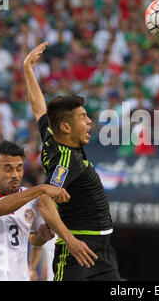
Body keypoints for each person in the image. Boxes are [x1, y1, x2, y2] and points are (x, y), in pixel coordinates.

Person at [23, 41, 121, 281]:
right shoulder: (66, 161)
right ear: (66, 127)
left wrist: (28, 68)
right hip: (81, 249)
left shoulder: (53, 137)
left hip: (102, 250)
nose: (89, 122)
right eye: (83, 117)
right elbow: (45, 202)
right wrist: (70, 241)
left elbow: (39, 110)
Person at [0, 140, 70, 281]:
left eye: (19, 168)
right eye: (8, 169)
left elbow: (32, 238)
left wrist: (42, 236)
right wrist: (41, 188)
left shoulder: (30, 198)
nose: (15, 175)